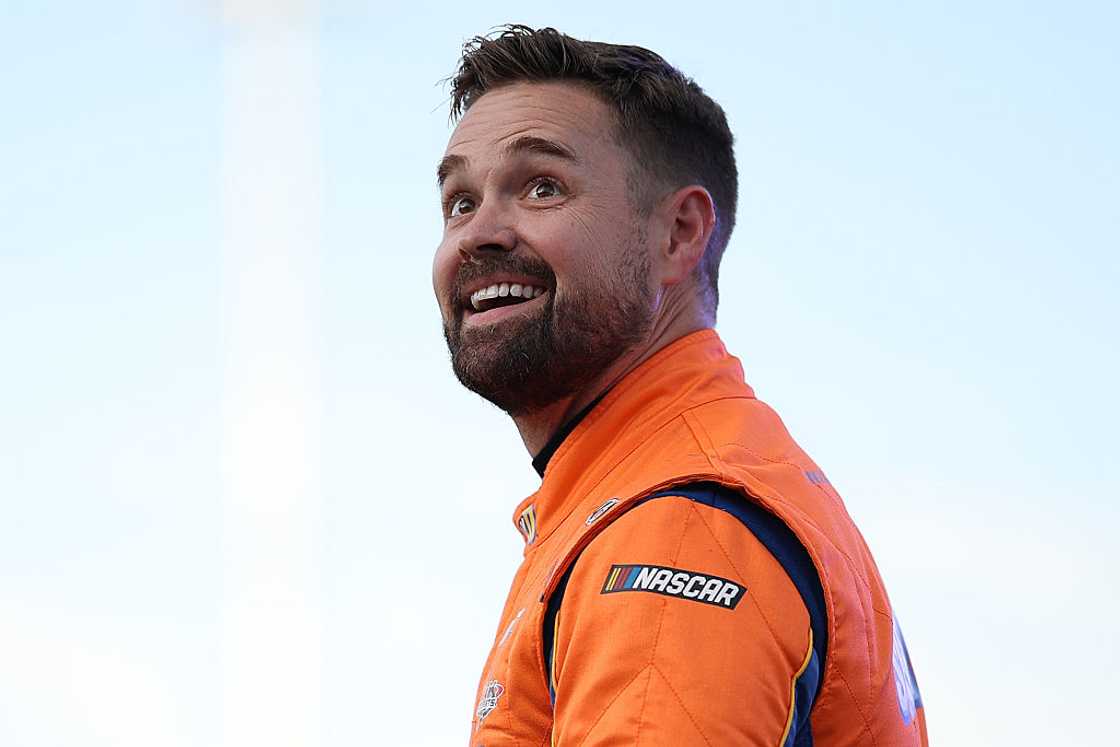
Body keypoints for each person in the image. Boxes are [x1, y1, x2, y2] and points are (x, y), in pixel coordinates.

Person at [431, 25, 928, 746]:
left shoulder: (679, 529)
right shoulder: (657, 487)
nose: (478, 233)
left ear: (680, 232)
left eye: (542, 186)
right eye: (459, 201)